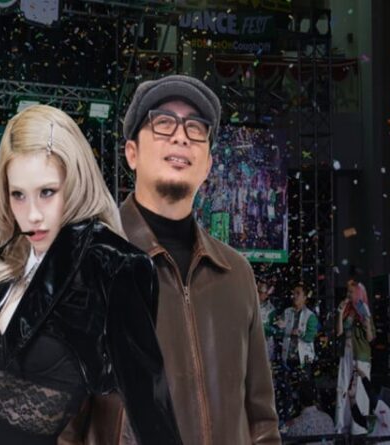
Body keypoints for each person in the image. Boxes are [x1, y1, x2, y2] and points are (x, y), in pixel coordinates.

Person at [0, 104, 182, 445]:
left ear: (76, 182)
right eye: (18, 195)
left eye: (47, 192)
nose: (33, 215)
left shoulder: (112, 266)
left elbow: (151, 409)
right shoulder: (8, 262)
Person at [72, 74, 279, 444]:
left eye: (195, 128)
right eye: (164, 123)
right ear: (131, 153)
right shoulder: (87, 264)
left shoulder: (236, 274)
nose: (181, 136)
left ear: (208, 164)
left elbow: (261, 422)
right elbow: (62, 429)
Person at [334, 280, 376, 433]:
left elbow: (370, 338)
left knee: (359, 391)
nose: (348, 294)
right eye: (348, 291)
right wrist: (340, 312)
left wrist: (366, 321)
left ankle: (358, 428)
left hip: (360, 356)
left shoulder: (364, 310)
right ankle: (342, 426)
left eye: (351, 292)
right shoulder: (347, 311)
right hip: (346, 354)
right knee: (343, 388)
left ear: (358, 293)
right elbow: (339, 332)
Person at [348, 369, 390, 444]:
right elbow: (359, 419)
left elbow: (373, 398)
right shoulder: (378, 420)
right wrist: (352, 398)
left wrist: (363, 376)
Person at [277, 283, 319, 368]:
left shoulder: (310, 316)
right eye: (294, 293)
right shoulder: (287, 312)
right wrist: (279, 327)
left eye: (298, 293)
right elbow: (279, 331)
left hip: (304, 359)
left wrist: (300, 333)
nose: (294, 296)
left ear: (305, 297)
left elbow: (311, 336)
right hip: (287, 357)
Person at [257, 280, 278, 361]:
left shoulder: (270, 309)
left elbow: (274, 329)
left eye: (261, 292)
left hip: (265, 345)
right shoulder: (248, 306)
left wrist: (265, 328)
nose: (257, 294)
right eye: (257, 291)